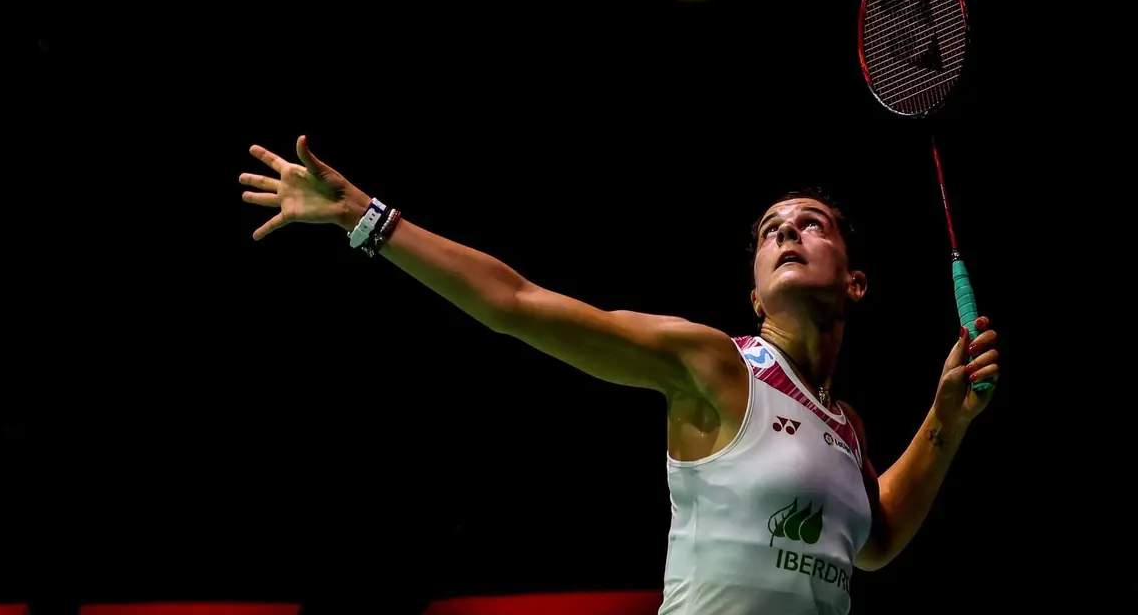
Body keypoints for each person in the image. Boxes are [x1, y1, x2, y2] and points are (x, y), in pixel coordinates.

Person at [238, 136, 1000, 615]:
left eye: (809, 224)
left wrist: (946, 420)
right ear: (753, 289)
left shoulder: (844, 426)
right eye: (770, 231)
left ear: (855, 282)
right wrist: (365, 218)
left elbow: (873, 541)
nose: (785, 234)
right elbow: (517, 303)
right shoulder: (715, 364)